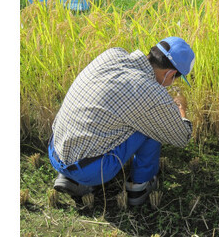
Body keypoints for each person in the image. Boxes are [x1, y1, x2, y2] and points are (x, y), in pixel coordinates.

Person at [48, 36, 195, 206]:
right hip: (90, 170)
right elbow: (182, 137)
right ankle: (140, 185)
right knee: (153, 123)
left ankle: (68, 177)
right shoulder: (151, 93)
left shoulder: (113, 55)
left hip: (55, 150)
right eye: (174, 79)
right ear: (170, 74)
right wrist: (181, 109)